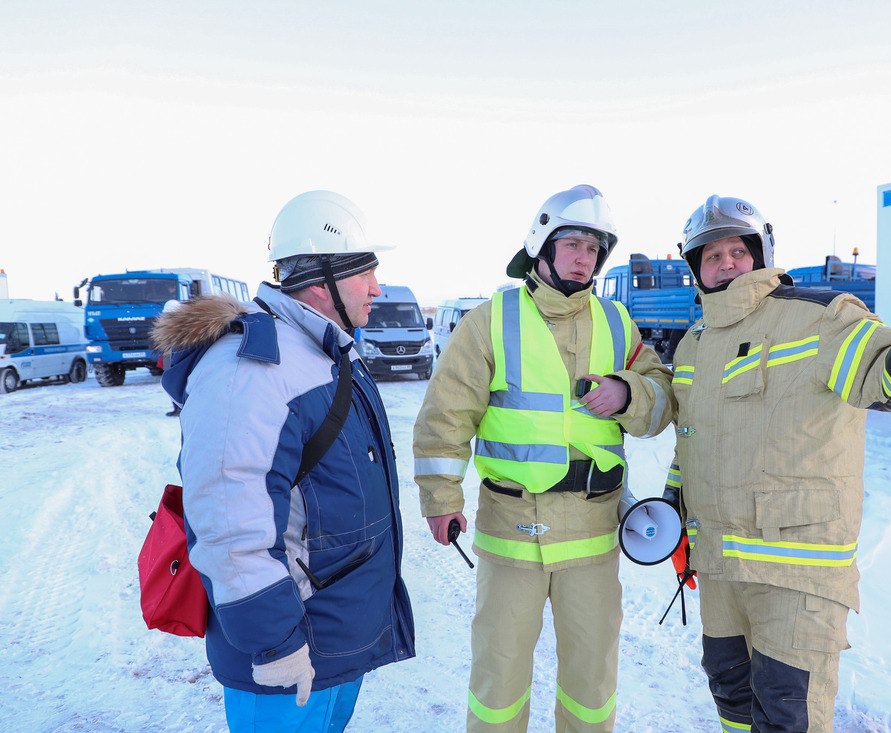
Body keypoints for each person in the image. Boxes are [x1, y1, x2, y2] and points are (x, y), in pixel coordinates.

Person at [665, 195, 891, 733]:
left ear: (761, 253)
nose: (725, 263)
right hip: (719, 566)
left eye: (737, 249)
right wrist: (674, 513)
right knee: (730, 693)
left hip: (797, 571)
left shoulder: (819, 318)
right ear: (695, 269)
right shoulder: (693, 346)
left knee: (788, 713)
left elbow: (882, 371)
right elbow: (691, 444)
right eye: (711, 255)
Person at [413, 184, 676, 733]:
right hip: (512, 531)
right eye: (573, 243)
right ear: (542, 246)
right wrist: (441, 498)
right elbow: (445, 415)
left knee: (591, 681)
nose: (584, 257)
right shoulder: (491, 319)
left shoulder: (617, 322)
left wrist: (628, 393)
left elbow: (661, 399)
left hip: (594, 534)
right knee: (499, 678)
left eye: (593, 248)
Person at [151, 190, 416, 732]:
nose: (377, 287)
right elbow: (230, 527)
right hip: (287, 652)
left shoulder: (320, 350)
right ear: (321, 280)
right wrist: (274, 645)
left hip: (328, 644)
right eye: (364, 271)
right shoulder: (250, 371)